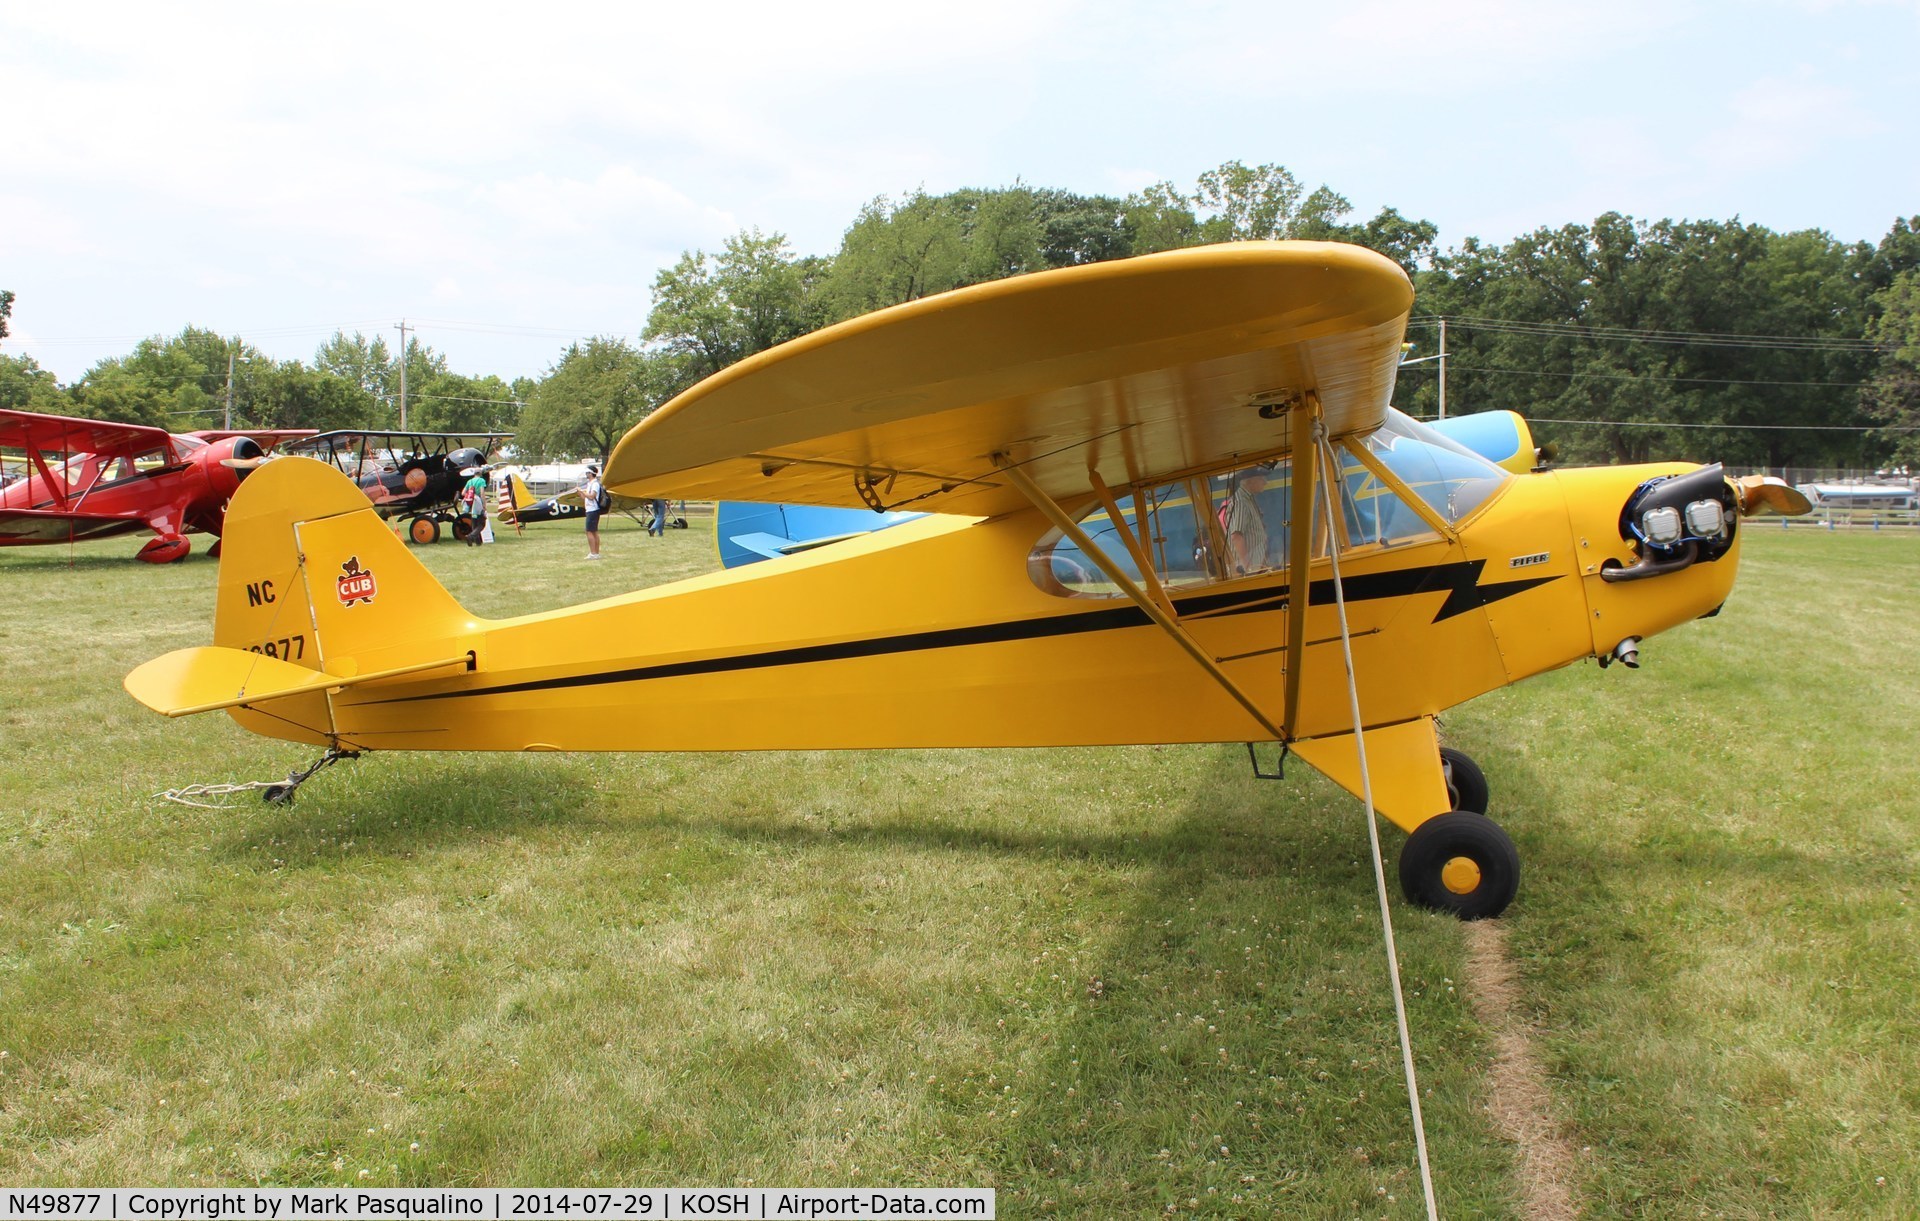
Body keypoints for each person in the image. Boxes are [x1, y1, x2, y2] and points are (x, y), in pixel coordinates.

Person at [1223, 467, 1272, 574]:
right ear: (1250, 481)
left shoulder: (1247, 499)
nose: (1265, 482)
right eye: (1261, 478)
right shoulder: (1241, 502)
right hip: (1250, 572)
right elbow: (1236, 537)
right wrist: (1247, 567)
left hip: (1257, 568)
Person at [459, 466, 489, 546]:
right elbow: (482, 493)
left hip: (471, 503)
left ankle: (478, 542)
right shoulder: (481, 480)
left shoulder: (470, 481)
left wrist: (470, 495)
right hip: (478, 501)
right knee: (482, 523)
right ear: (481, 473)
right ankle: (470, 536)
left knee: (474, 521)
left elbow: (463, 493)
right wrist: (484, 505)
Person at [582, 462, 605, 560]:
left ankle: (593, 553)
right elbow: (586, 498)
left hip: (593, 510)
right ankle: (595, 553)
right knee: (594, 531)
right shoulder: (590, 484)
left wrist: (584, 493)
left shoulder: (595, 484)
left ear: (591, 473)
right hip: (590, 509)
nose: (586, 474)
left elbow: (592, 496)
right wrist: (580, 493)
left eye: (587, 473)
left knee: (589, 532)